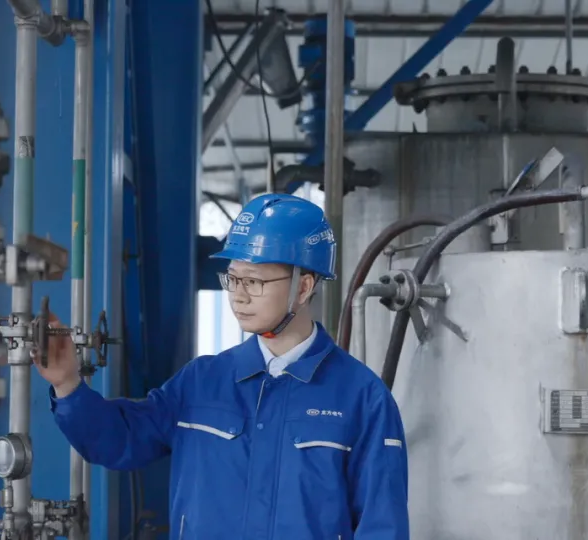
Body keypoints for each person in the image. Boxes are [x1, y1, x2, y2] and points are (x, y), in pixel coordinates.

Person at [35, 193, 410, 539]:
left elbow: (383, 527)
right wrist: (68, 384)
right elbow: (119, 440)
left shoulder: (362, 398)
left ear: (303, 286)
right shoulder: (201, 382)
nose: (238, 296)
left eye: (254, 281)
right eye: (232, 278)